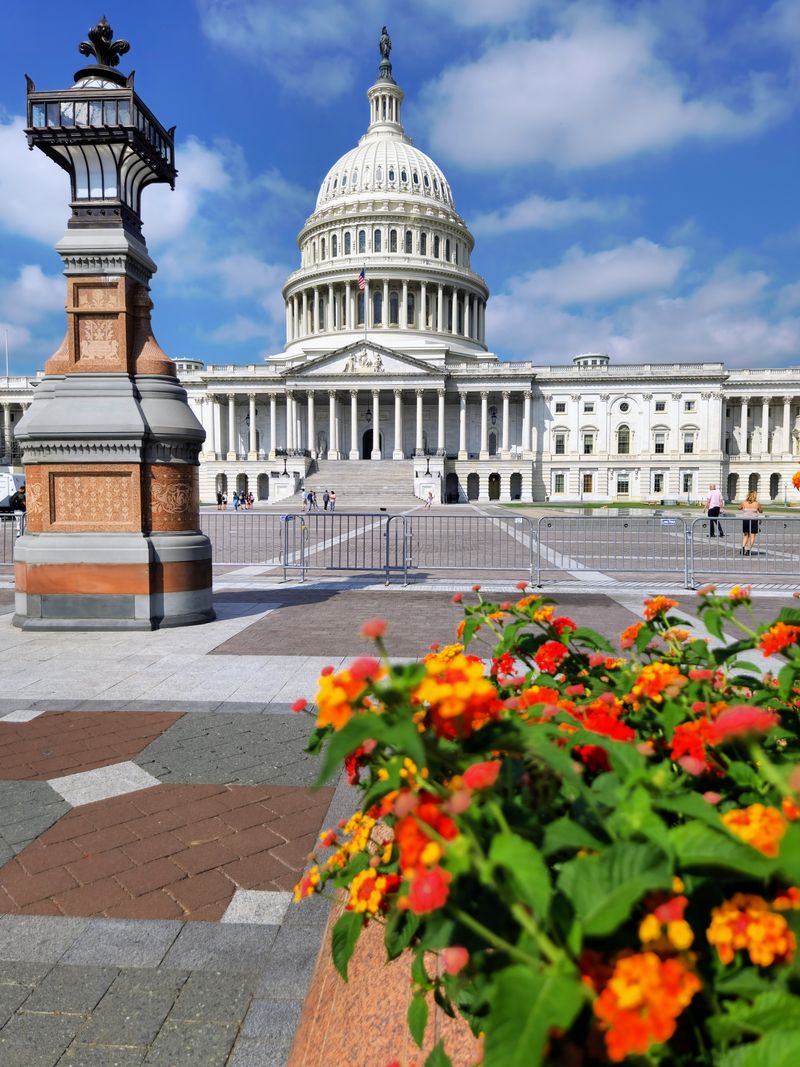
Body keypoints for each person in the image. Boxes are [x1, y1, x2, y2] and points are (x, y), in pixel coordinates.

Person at [738, 490, 763, 555]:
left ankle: (743, 547)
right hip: (754, 521)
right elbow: (761, 511)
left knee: (746, 535)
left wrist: (744, 508)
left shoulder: (744, 502)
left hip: (745, 520)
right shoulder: (757, 503)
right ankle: (748, 549)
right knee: (752, 536)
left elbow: (739, 508)